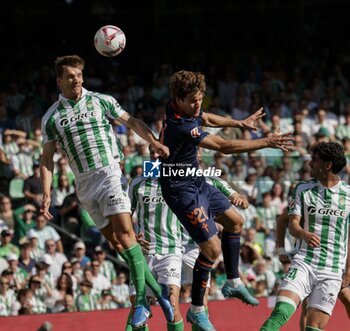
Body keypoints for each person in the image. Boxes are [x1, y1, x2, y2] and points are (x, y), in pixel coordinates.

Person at [39, 54, 173, 328]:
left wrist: (153, 141)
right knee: (120, 246)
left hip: (109, 173)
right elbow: (46, 159)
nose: (75, 79)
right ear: (59, 81)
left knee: (126, 235)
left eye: (79, 75)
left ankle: (140, 304)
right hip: (84, 185)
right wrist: (47, 194)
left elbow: (133, 121)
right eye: (70, 76)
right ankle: (160, 295)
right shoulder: (51, 118)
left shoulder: (101, 100)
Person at [159, 70, 293, 330]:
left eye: (200, 98)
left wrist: (238, 124)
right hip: (179, 189)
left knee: (236, 222)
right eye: (193, 101)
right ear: (179, 98)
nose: (198, 105)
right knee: (211, 249)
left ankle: (233, 283)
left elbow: (204, 116)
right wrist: (266, 142)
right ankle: (197, 310)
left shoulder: (183, 108)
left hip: (195, 179)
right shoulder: (182, 126)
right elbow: (225, 147)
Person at [128, 145, 249, 331]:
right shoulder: (144, 182)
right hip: (161, 244)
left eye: (196, 151)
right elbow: (127, 215)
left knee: (198, 302)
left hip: (192, 247)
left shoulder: (207, 179)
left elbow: (233, 196)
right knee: (140, 304)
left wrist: (232, 204)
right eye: (151, 153)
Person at [260, 141, 350, 331]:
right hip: (304, 262)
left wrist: (348, 271)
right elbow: (291, 223)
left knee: (314, 327)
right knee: (280, 313)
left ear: (328, 165)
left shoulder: (348, 195)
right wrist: (302, 234)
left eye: (314, 160)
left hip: (332, 270)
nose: (309, 164)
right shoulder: (302, 188)